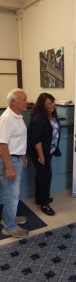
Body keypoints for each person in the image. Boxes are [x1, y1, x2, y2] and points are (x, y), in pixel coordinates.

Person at [0, 88, 28, 238]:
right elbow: (2, 145)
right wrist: (9, 167)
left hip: (17, 157)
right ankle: (9, 227)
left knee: (11, 193)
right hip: (10, 161)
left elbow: (17, 139)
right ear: (13, 103)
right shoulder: (7, 119)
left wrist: (23, 155)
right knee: (12, 195)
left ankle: (7, 219)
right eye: (23, 100)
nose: (26, 102)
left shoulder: (17, 115)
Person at [27, 93, 61, 216]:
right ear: (42, 105)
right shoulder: (38, 118)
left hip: (49, 150)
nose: (52, 105)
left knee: (41, 174)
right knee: (46, 176)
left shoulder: (51, 114)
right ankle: (44, 204)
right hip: (39, 152)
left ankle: (40, 198)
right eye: (49, 103)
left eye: (52, 102)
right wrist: (41, 156)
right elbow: (36, 140)